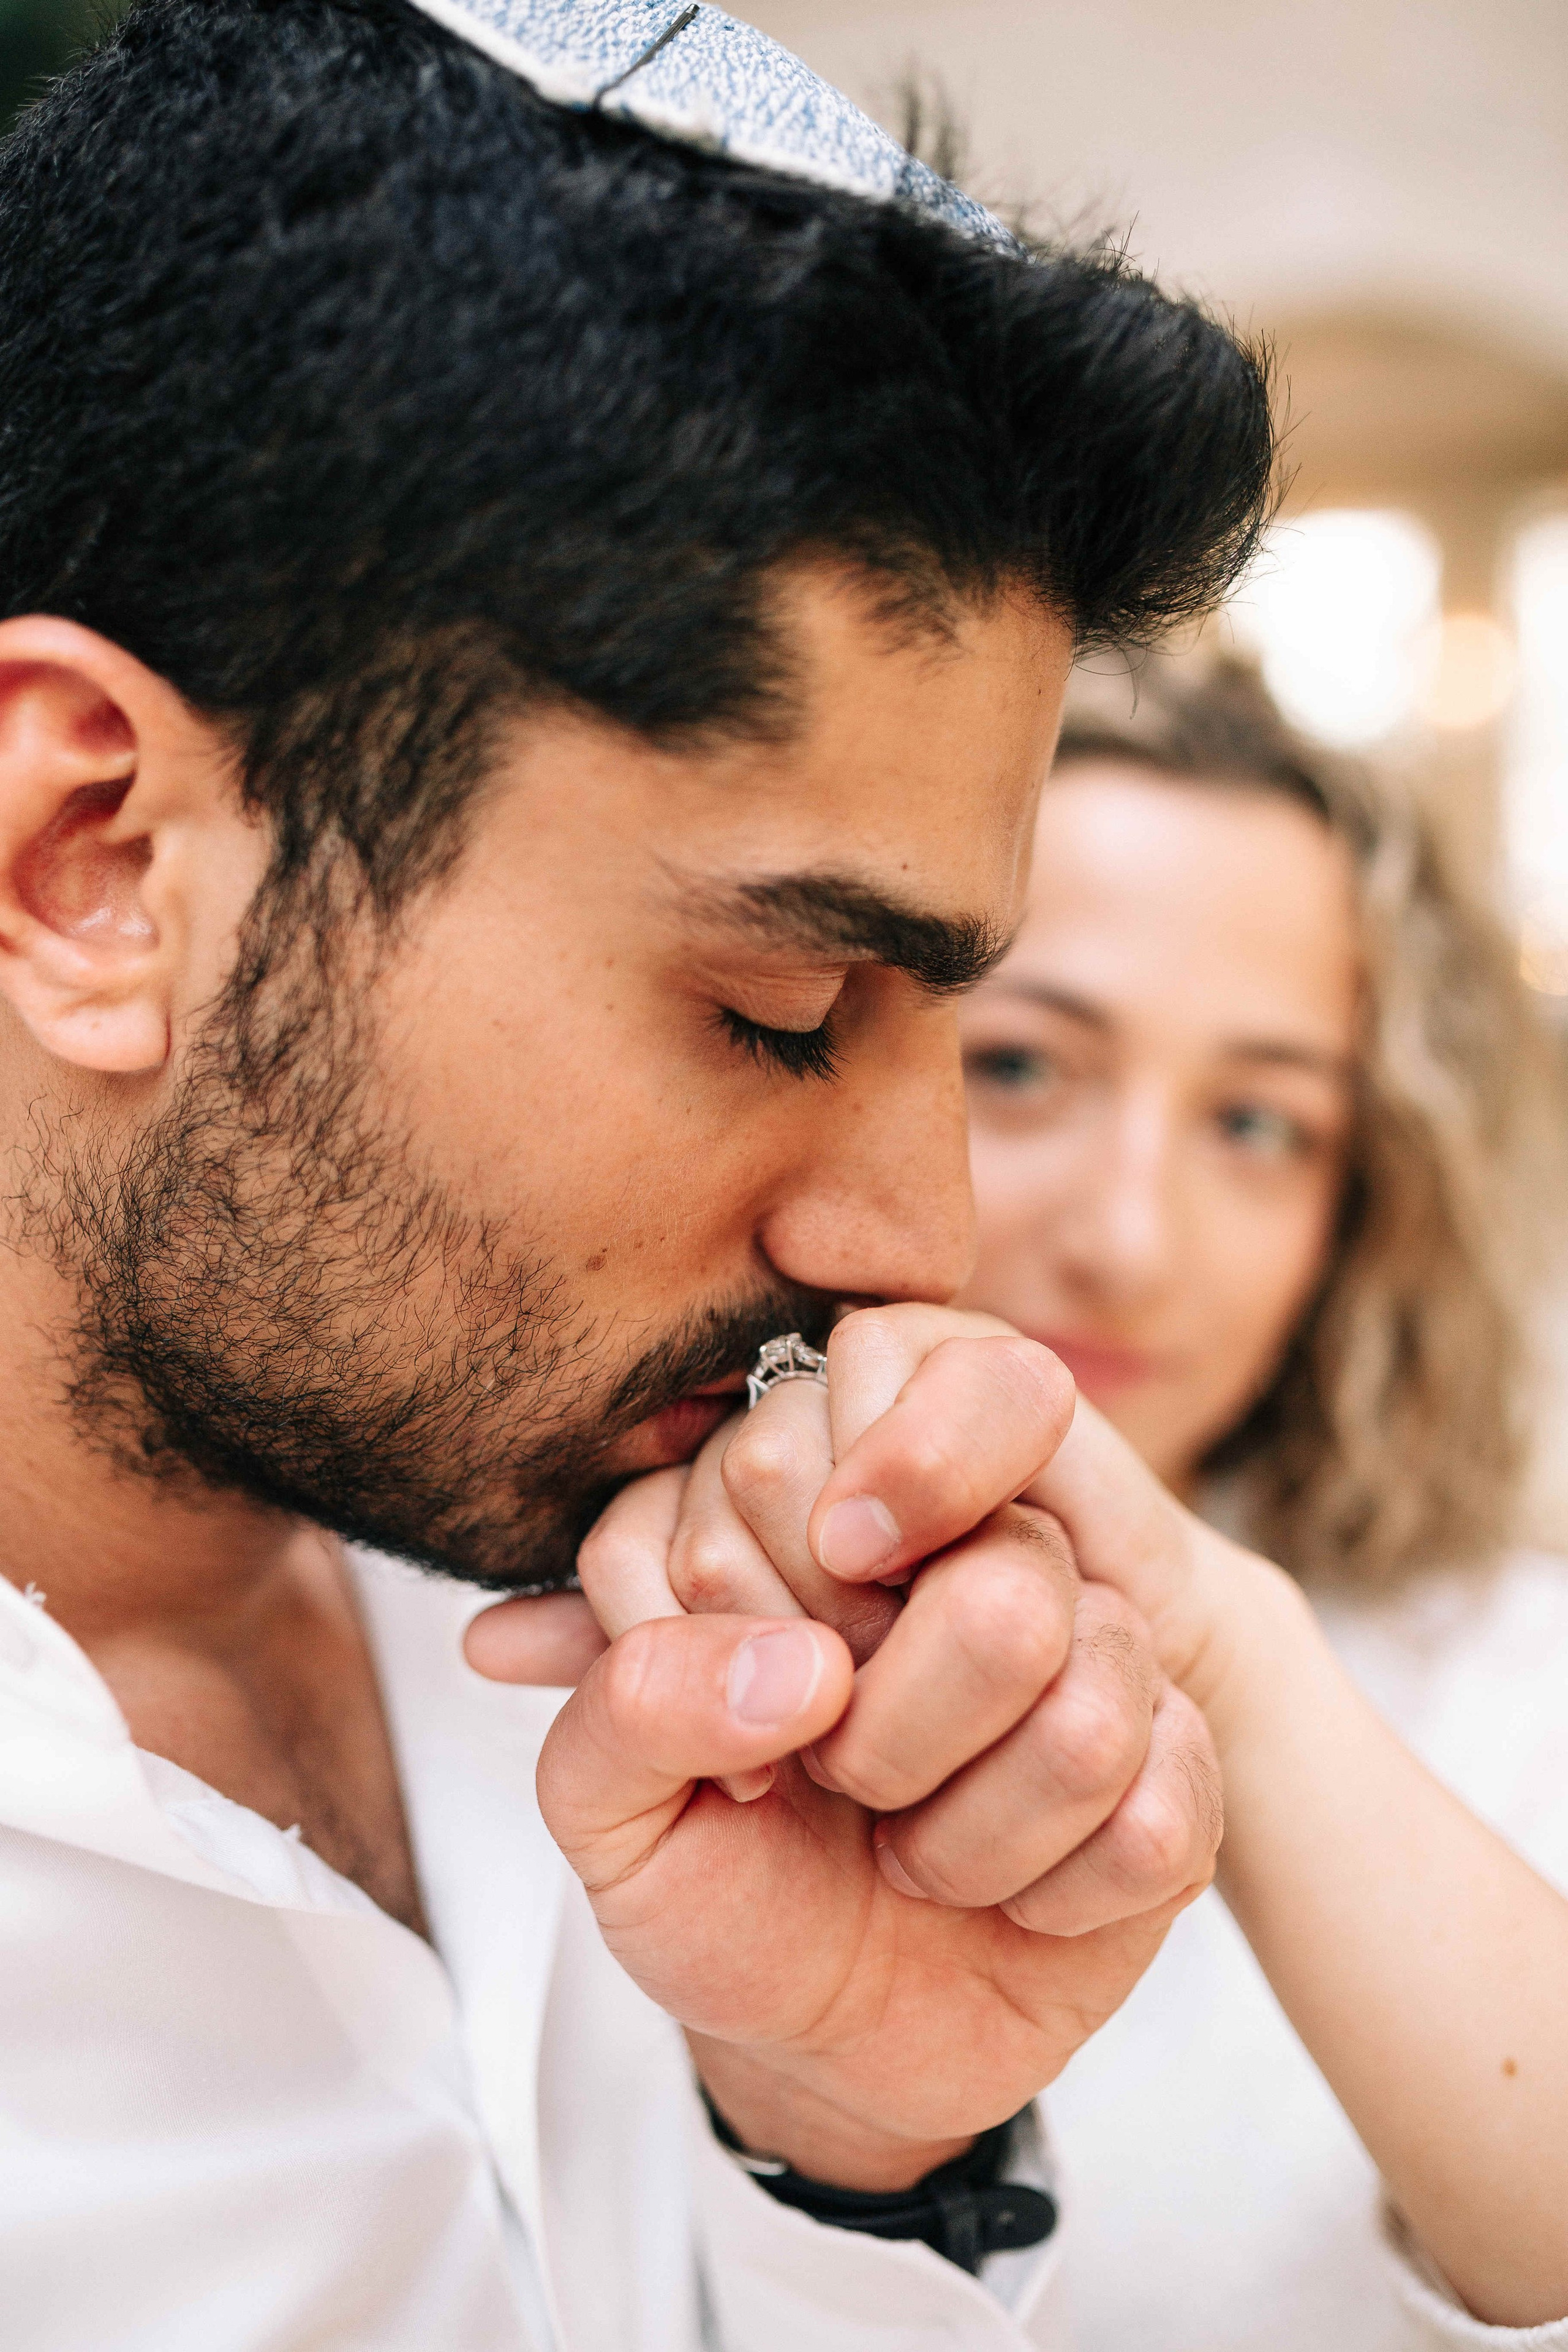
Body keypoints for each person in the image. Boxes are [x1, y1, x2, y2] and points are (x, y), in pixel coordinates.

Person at [0, 3, 1281, 2347]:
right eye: (777, 1013)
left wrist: (856, 2162)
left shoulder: (645, 1607)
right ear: (88, 854)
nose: (920, 1238)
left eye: (953, 1035)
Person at [577, 653, 1568, 2350]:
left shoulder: (1506, 1670)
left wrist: (1223, 1645)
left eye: (1258, 1123)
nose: (1131, 1236)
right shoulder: (583, 1633)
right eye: (1029, 1069)